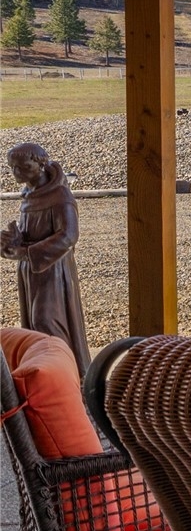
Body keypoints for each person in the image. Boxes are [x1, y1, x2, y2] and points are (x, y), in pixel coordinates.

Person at [2, 143, 90, 373]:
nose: (17, 173)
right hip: (31, 270)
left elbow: (68, 235)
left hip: (52, 270)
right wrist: (13, 240)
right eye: (13, 168)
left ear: (40, 165)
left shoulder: (60, 196)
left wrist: (27, 252)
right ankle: (47, 378)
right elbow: (31, 231)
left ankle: (64, 375)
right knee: (33, 324)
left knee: (47, 320)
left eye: (23, 167)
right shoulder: (29, 195)